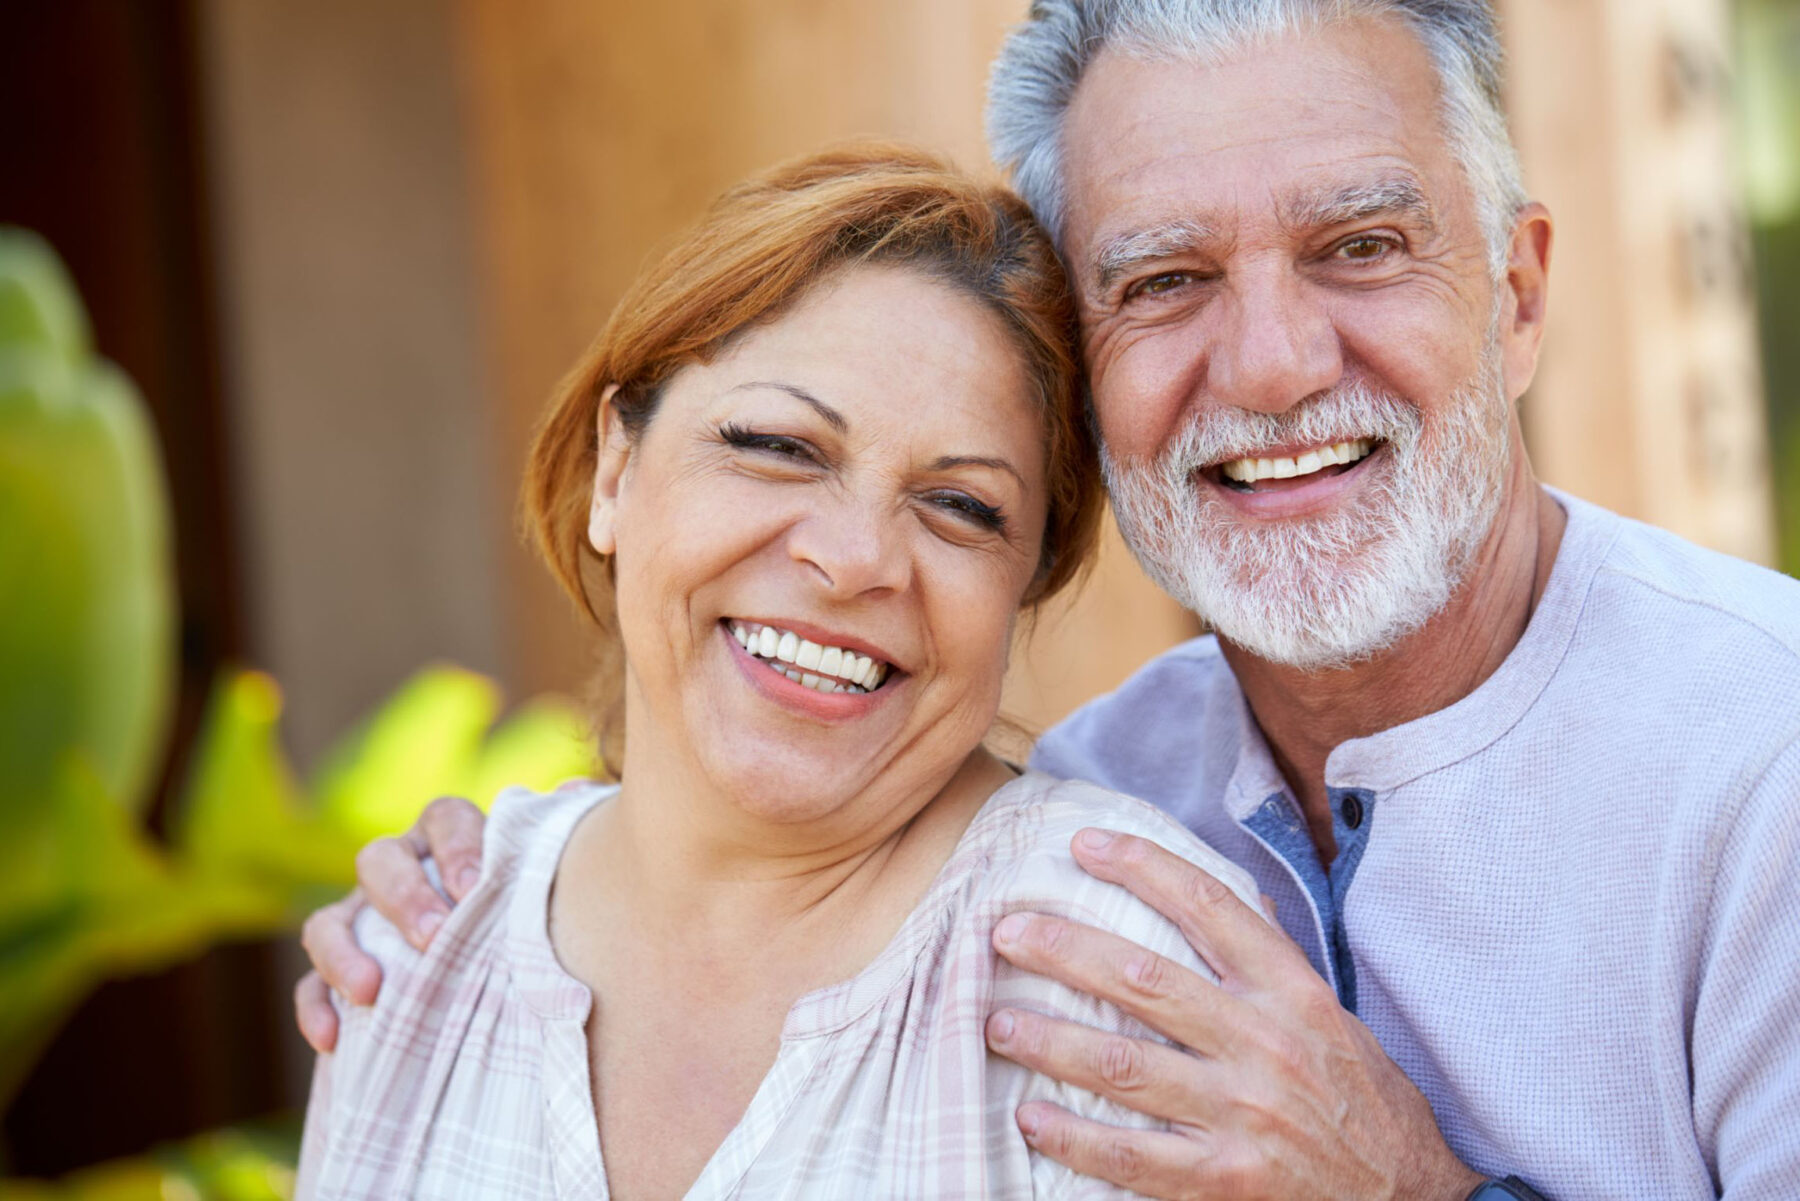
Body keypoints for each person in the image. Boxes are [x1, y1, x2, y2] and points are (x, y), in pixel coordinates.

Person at [300, 2, 1800, 1197]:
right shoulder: (1104, 788)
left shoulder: (1765, 760)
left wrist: (1414, 1194)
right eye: (1163, 281)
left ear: (1519, 295)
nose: (1273, 364)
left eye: (1359, 247)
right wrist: (493, 883)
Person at [295, 143, 1274, 1199]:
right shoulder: (418, 946)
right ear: (617, 471)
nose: (854, 561)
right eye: (778, 445)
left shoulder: (1114, 971)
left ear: (1022, 589)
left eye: (961, 507)